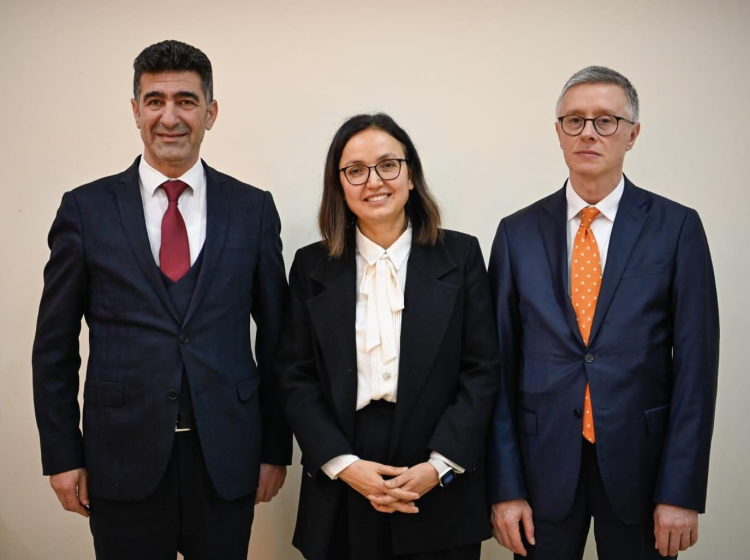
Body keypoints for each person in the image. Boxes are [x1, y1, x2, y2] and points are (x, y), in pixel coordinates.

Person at [31, 40, 291, 560]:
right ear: (136, 112)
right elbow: (54, 348)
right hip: (119, 458)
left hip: (227, 458)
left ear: (210, 113)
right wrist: (62, 455)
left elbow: (280, 342)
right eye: (155, 101)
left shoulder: (253, 209)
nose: (169, 117)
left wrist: (274, 448)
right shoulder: (85, 210)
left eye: (186, 101)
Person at [487, 66, 720, 560]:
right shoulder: (515, 233)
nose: (588, 132)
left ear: (632, 134)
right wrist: (505, 488)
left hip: (643, 468)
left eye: (606, 120)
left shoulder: (677, 228)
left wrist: (680, 491)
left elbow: (696, 371)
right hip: (542, 466)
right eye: (574, 120)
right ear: (558, 133)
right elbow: (498, 368)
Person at [276, 113, 500, 560]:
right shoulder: (310, 266)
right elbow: (294, 376)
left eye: (387, 165)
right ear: (339, 185)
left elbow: (482, 370)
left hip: (437, 471)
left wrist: (438, 466)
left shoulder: (461, 255)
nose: (374, 181)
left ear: (410, 175)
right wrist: (343, 464)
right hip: (343, 473)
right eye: (355, 170)